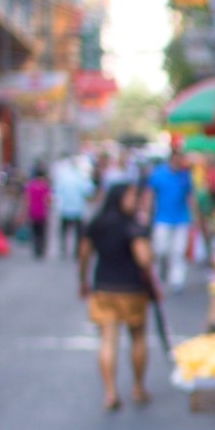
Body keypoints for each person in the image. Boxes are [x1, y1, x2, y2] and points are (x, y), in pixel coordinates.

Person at [77, 181, 157, 411]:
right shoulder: (132, 226)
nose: (136, 200)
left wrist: (83, 281)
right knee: (138, 338)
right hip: (131, 288)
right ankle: (138, 387)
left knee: (107, 341)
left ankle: (110, 392)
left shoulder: (97, 223)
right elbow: (144, 259)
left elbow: (84, 255)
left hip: (103, 287)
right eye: (132, 196)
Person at [146, 147, 193, 292]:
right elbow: (150, 194)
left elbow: (190, 197)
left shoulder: (185, 176)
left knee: (178, 251)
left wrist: (194, 216)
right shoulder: (158, 174)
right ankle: (163, 269)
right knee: (161, 249)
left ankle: (176, 280)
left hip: (181, 218)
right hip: (162, 218)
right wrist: (147, 213)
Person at [52, 155, 89, 258]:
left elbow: (57, 193)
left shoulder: (63, 176)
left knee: (64, 231)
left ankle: (63, 249)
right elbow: (88, 191)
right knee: (78, 233)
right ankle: (76, 251)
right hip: (77, 209)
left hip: (65, 209)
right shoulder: (80, 177)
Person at [23, 163, 50, 258]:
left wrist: (25, 212)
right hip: (42, 213)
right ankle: (40, 248)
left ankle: (36, 249)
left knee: (34, 232)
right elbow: (48, 200)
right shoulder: (45, 187)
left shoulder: (30, 186)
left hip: (33, 212)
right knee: (41, 232)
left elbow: (27, 200)